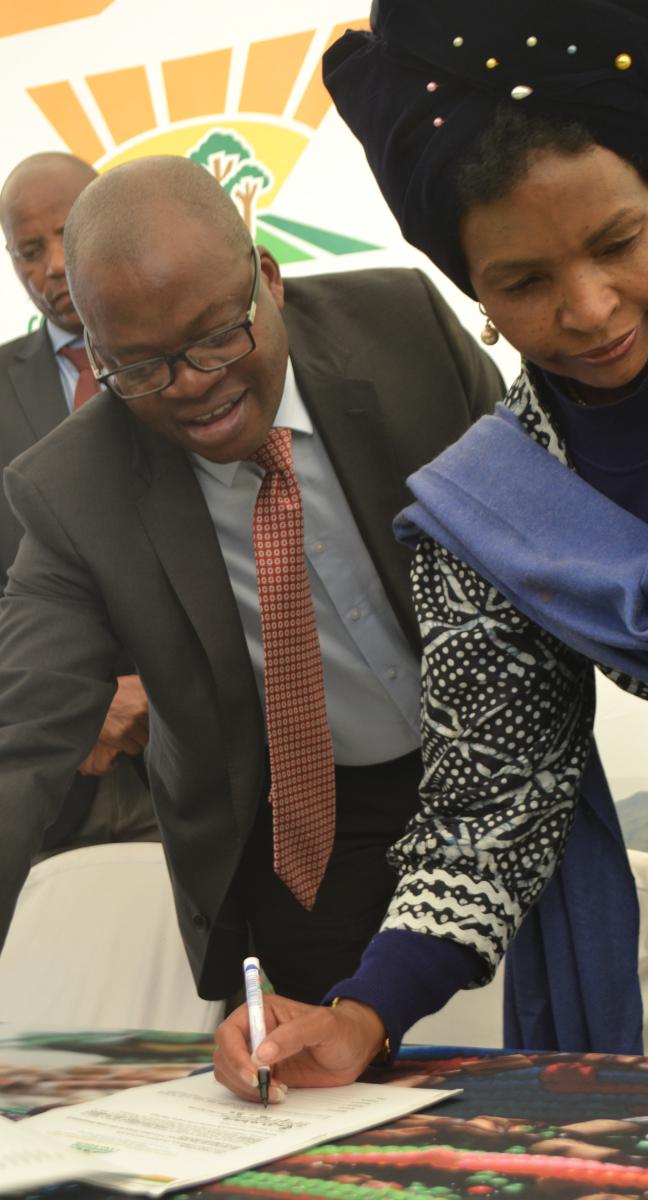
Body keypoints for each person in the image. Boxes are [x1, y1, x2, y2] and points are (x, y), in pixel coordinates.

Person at [212, 0, 648, 1096]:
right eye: (522, 282)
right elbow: (491, 801)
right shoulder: (490, 507)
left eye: (616, 242)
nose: (588, 308)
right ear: (471, 294)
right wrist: (360, 1013)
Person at [0, 154, 503, 1014]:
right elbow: (20, 734)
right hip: (307, 828)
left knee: (560, 1063)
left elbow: (535, 531)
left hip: (497, 769)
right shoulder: (77, 486)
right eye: (142, 368)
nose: (194, 386)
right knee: (331, 1098)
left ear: (266, 277)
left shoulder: (403, 330)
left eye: (215, 337)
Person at [0, 151, 155, 852]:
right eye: (28, 251)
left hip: (223, 756)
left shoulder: (195, 354)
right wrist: (82, 707)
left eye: (68, 235)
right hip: (56, 783)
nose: (53, 266)